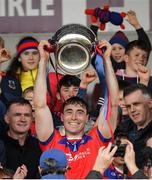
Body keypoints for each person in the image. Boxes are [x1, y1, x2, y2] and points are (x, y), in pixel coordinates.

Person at [34, 39, 119, 179]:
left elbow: (113, 103)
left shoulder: (98, 139)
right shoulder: (51, 141)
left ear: (87, 118)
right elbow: (39, 106)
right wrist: (43, 60)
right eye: (69, 112)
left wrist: (107, 61)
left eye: (80, 112)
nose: (74, 117)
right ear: (61, 117)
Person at [2, 98, 42, 178]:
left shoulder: (39, 146)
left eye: (27, 115)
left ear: (32, 119)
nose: (23, 119)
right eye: (17, 115)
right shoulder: (1, 145)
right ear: (7, 119)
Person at [117, 83, 152, 168]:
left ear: (150, 103)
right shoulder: (122, 128)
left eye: (136, 104)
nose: (132, 110)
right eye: (128, 106)